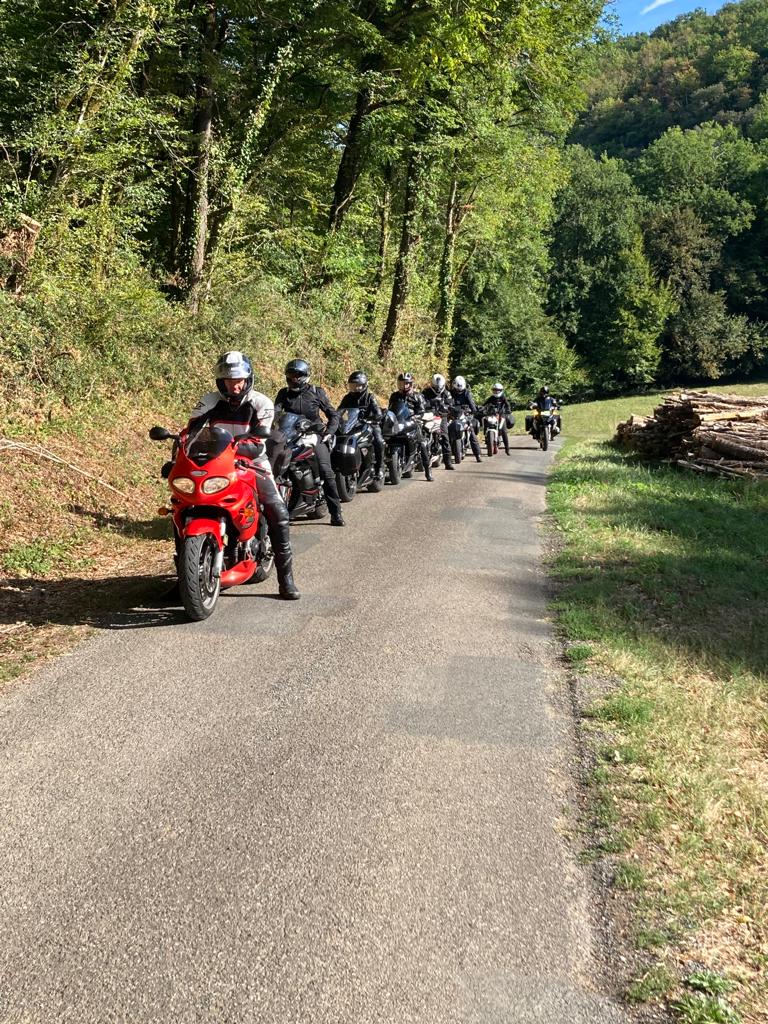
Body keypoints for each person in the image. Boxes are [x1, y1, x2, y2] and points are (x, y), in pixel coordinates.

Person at [187, 351, 300, 599]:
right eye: (228, 380)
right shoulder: (209, 401)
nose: (234, 385)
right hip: (217, 463)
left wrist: (236, 448)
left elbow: (259, 442)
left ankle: (286, 580)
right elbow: (190, 432)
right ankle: (184, 575)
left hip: (253, 462)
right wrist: (181, 448)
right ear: (221, 381)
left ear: (248, 379)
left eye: (238, 380)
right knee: (185, 505)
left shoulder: (261, 403)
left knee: (277, 511)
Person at [273, 358, 346, 526]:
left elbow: (333, 414)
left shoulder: (316, 392)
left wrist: (329, 432)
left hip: (315, 435)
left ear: (305, 376)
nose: (294, 379)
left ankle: (336, 512)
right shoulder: (283, 393)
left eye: (297, 376)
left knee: (326, 472)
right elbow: (274, 413)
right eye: (291, 375)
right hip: (290, 435)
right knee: (275, 464)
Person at [338, 371, 384, 481]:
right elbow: (339, 411)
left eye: (358, 386)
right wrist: (336, 419)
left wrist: (372, 419)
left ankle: (379, 468)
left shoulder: (370, 397)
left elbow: (378, 413)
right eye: (353, 386)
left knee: (379, 441)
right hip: (352, 425)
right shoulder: (347, 397)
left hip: (369, 424)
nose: (355, 388)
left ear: (364, 385)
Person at [387, 372, 433, 481]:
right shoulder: (394, 396)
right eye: (401, 383)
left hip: (412, 422)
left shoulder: (418, 396)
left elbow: (422, 410)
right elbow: (391, 409)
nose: (404, 386)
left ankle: (428, 471)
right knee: (386, 439)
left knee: (422, 444)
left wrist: (417, 416)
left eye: (406, 383)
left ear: (411, 384)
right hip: (398, 423)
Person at [421, 373, 455, 470]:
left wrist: (446, 408)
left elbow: (450, 404)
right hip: (428, 416)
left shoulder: (447, 393)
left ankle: (448, 462)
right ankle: (420, 458)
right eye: (435, 387)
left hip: (441, 416)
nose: (438, 389)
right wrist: (427, 406)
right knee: (422, 434)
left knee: (445, 437)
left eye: (439, 387)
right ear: (432, 384)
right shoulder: (426, 392)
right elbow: (421, 402)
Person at [449, 375, 482, 462]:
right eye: (457, 389)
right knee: (446, 430)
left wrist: (473, 410)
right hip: (452, 415)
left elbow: (471, 403)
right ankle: (446, 453)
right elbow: (447, 402)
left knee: (471, 431)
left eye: (460, 389)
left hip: (465, 414)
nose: (459, 391)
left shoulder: (467, 393)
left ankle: (478, 455)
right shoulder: (450, 393)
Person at [482, 382, 513, 455]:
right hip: (492, 415)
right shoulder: (491, 398)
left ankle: (507, 449)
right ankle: (487, 438)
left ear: (501, 390)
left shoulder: (503, 397)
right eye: (494, 390)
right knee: (485, 422)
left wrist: (508, 410)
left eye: (497, 390)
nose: (496, 391)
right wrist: (481, 408)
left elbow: (507, 405)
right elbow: (484, 404)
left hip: (501, 415)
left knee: (504, 431)